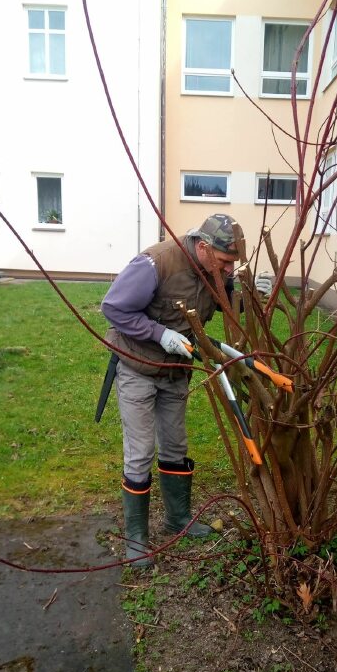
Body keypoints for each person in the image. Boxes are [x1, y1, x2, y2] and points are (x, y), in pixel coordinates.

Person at [101, 213, 271, 567]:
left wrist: (253, 294)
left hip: (176, 371)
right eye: (225, 261)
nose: (228, 270)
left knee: (175, 445)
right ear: (203, 247)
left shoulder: (216, 271)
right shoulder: (156, 264)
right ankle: (136, 537)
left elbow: (228, 305)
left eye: (233, 264)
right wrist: (159, 333)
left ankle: (177, 519)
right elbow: (114, 307)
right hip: (137, 366)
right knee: (140, 451)